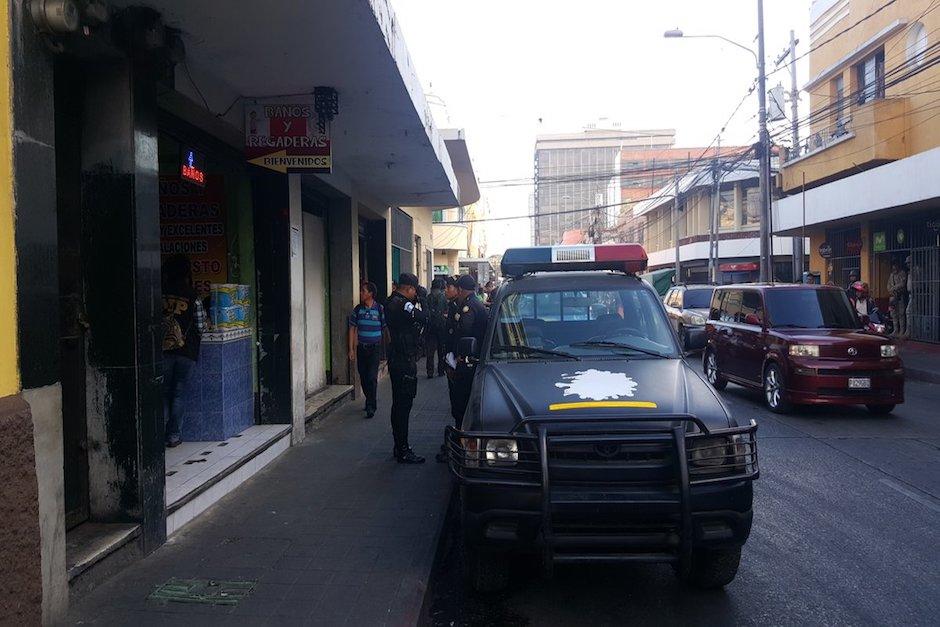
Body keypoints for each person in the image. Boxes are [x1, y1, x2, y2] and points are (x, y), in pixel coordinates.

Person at [161, 254, 207, 448]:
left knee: (162, 393)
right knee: (178, 393)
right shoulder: (192, 295)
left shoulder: (158, 291)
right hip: (186, 352)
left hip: (162, 351)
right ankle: (173, 436)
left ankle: (157, 434)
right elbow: (201, 325)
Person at [385, 273, 428, 464]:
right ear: (410, 289)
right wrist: (423, 301)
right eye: (414, 291)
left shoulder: (390, 300)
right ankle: (403, 449)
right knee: (404, 405)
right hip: (403, 359)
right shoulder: (403, 303)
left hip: (397, 358)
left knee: (399, 404)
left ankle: (399, 446)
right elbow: (424, 318)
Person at [348, 282, 385, 419]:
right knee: (363, 377)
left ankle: (371, 405)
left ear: (370, 294)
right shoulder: (358, 310)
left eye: (363, 291)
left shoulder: (379, 309)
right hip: (361, 349)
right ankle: (369, 399)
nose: (361, 293)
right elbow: (351, 329)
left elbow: (384, 328)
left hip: (375, 348)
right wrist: (351, 349)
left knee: (371, 377)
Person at [425, 278, 449, 378]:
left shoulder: (428, 297)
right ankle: (441, 370)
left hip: (430, 327)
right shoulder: (443, 297)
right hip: (441, 326)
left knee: (430, 351)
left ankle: (430, 372)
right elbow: (446, 310)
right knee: (441, 350)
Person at [887, 260, 908, 338]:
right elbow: (888, 285)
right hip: (893, 297)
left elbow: (903, 284)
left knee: (901, 314)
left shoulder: (902, 273)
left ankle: (902, 330)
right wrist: (891, 290)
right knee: (893, 314)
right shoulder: (891, 275)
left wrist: (894, 288)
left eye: (895, 267)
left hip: (900, 296)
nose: (894, 268)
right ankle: (895, 330)